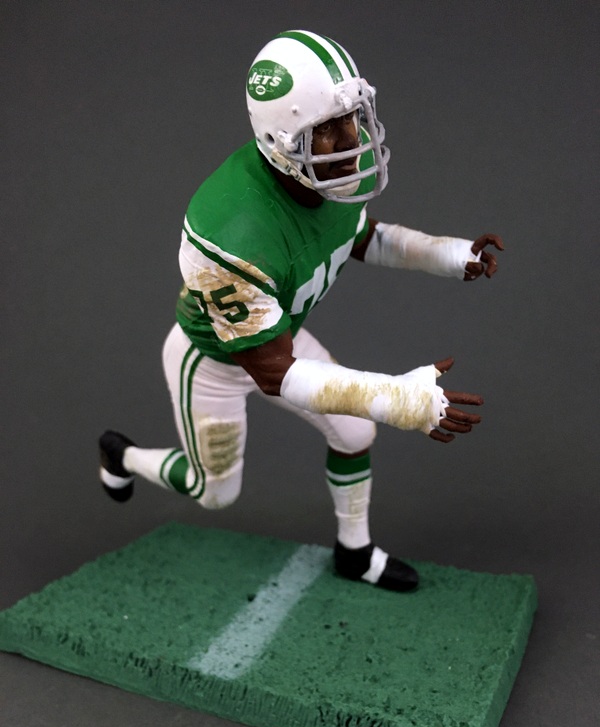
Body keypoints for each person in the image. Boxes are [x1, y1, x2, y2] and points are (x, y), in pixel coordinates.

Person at [100, 30, 503, 593]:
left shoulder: (321, 177)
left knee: (356, 433)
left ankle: (354, 552)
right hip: (215, 363)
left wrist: (448, 254)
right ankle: (122, 456)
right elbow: (274, 373)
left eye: (353, 116)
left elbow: (362, 237)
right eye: (328, 128)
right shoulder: (230, 232)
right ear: (281, 140)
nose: (352, 139)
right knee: (213, 492)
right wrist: (399, 399)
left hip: (279, 337)